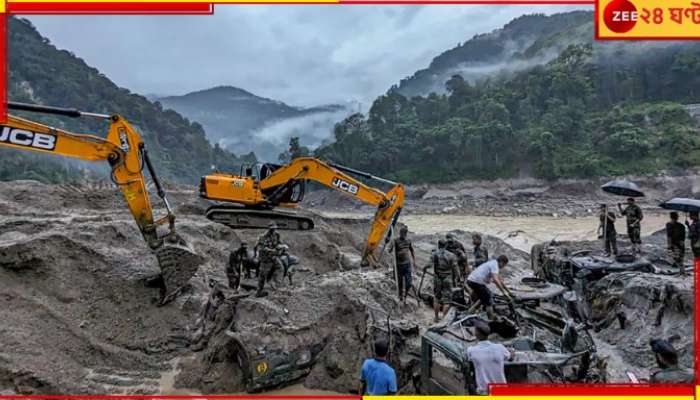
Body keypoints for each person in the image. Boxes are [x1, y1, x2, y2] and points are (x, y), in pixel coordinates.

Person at [466, 320, 511, 395]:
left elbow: (467, 359)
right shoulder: (500, 348)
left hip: (484, 392)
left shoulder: (471, 350)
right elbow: (509, 356)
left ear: (476, 334)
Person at [466, 255, 514, 320]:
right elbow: (496, 280)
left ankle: (469, 313)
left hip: (471, 280)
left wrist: (509, 292)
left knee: (483, 297)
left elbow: (500, 280)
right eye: (504, 265)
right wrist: (503, 292)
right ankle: (491, 318)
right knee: (489, 297)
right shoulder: (495, 265)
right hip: (476, 282)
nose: (503, 267)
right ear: (501, 262)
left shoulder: (492, 263)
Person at [432, 239, 458, 322]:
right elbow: (455, 268)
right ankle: (443, 319)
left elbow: (428, 264)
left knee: (437, 298)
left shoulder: (434, 254)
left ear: (438, 245)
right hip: (447, 278)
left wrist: (425, 268)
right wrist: (457, 278)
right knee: (447, 300)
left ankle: (436, 318)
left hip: (437, 278)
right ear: (446, 245)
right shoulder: (451, 255)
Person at [388, 225, 416, 304]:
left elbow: (412, 250)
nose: (402, 235)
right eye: (401, 233)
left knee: (409, 283)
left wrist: (414, 260)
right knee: (399, 283)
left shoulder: (408, 240)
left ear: (406, 234)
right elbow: (389, 250)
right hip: (398, 265)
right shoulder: (395, 240)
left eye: (404, 233)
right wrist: (391, 244)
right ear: (399, 233)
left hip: (407, 265)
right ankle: (400, 297)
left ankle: (405, 296)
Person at [255, 222, 283, 297]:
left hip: (273, 257)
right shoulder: (263, 236)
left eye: (275, 229)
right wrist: (270, 250)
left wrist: (281, 247)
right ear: (269, 229)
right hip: (265, 258)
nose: (274, 230)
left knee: (280, 268)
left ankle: (277, 285)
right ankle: (258, 292)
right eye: (272, 229)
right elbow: (261, 248)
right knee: (262, 275)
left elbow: (279, 243)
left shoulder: (277, 235)